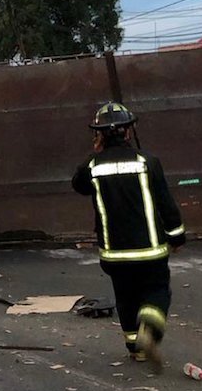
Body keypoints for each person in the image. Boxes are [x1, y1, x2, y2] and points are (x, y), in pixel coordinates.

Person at [72, 102, 185, 372]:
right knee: (157, 290)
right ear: (128, 131)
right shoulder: (147, 162)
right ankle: (149, 329)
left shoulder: (92, 166)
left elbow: (78, 185)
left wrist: (94, 153)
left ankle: (136, 349)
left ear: (98, 134)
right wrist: (177, 236)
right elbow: (165, 203)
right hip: (150, 250)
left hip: (114, 254)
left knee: (125, 297)